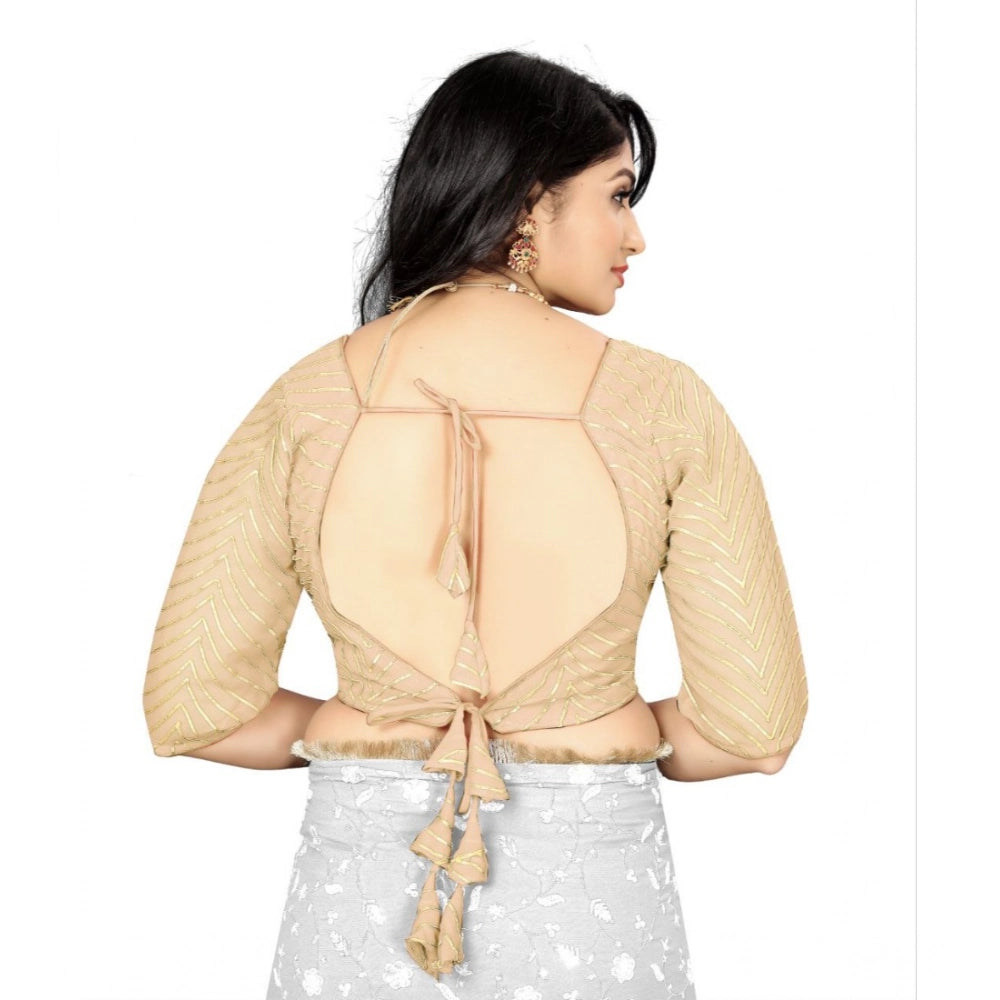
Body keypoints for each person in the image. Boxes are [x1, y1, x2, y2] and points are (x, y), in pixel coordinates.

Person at [142, 49, 807, 999]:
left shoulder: (310, 400)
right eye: (619, 196)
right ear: (532, 204)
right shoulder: (661, 403)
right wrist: (591, 729)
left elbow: (196, 708)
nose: (637, 234)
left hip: (360, 899)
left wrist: (377, 730)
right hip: (591, 911)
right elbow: (755, 729)